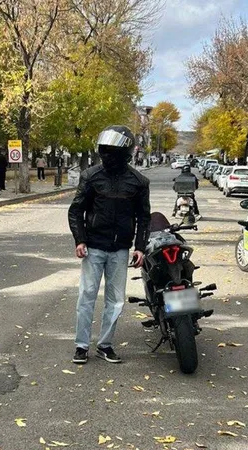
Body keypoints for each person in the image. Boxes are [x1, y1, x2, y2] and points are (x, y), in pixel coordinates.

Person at [68, 125, 151, 365]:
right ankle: (81, 346)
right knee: (87, 295)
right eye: (103, 150)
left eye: (111, 151)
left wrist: (140, 247)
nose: (106, 155)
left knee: (115, 300)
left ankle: (105, 344)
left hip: (120, 249)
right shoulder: (91, 176)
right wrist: (80, 239)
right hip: (93, 247)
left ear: (124, 153)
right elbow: (76, 210)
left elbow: (143, 217)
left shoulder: (138, 181)